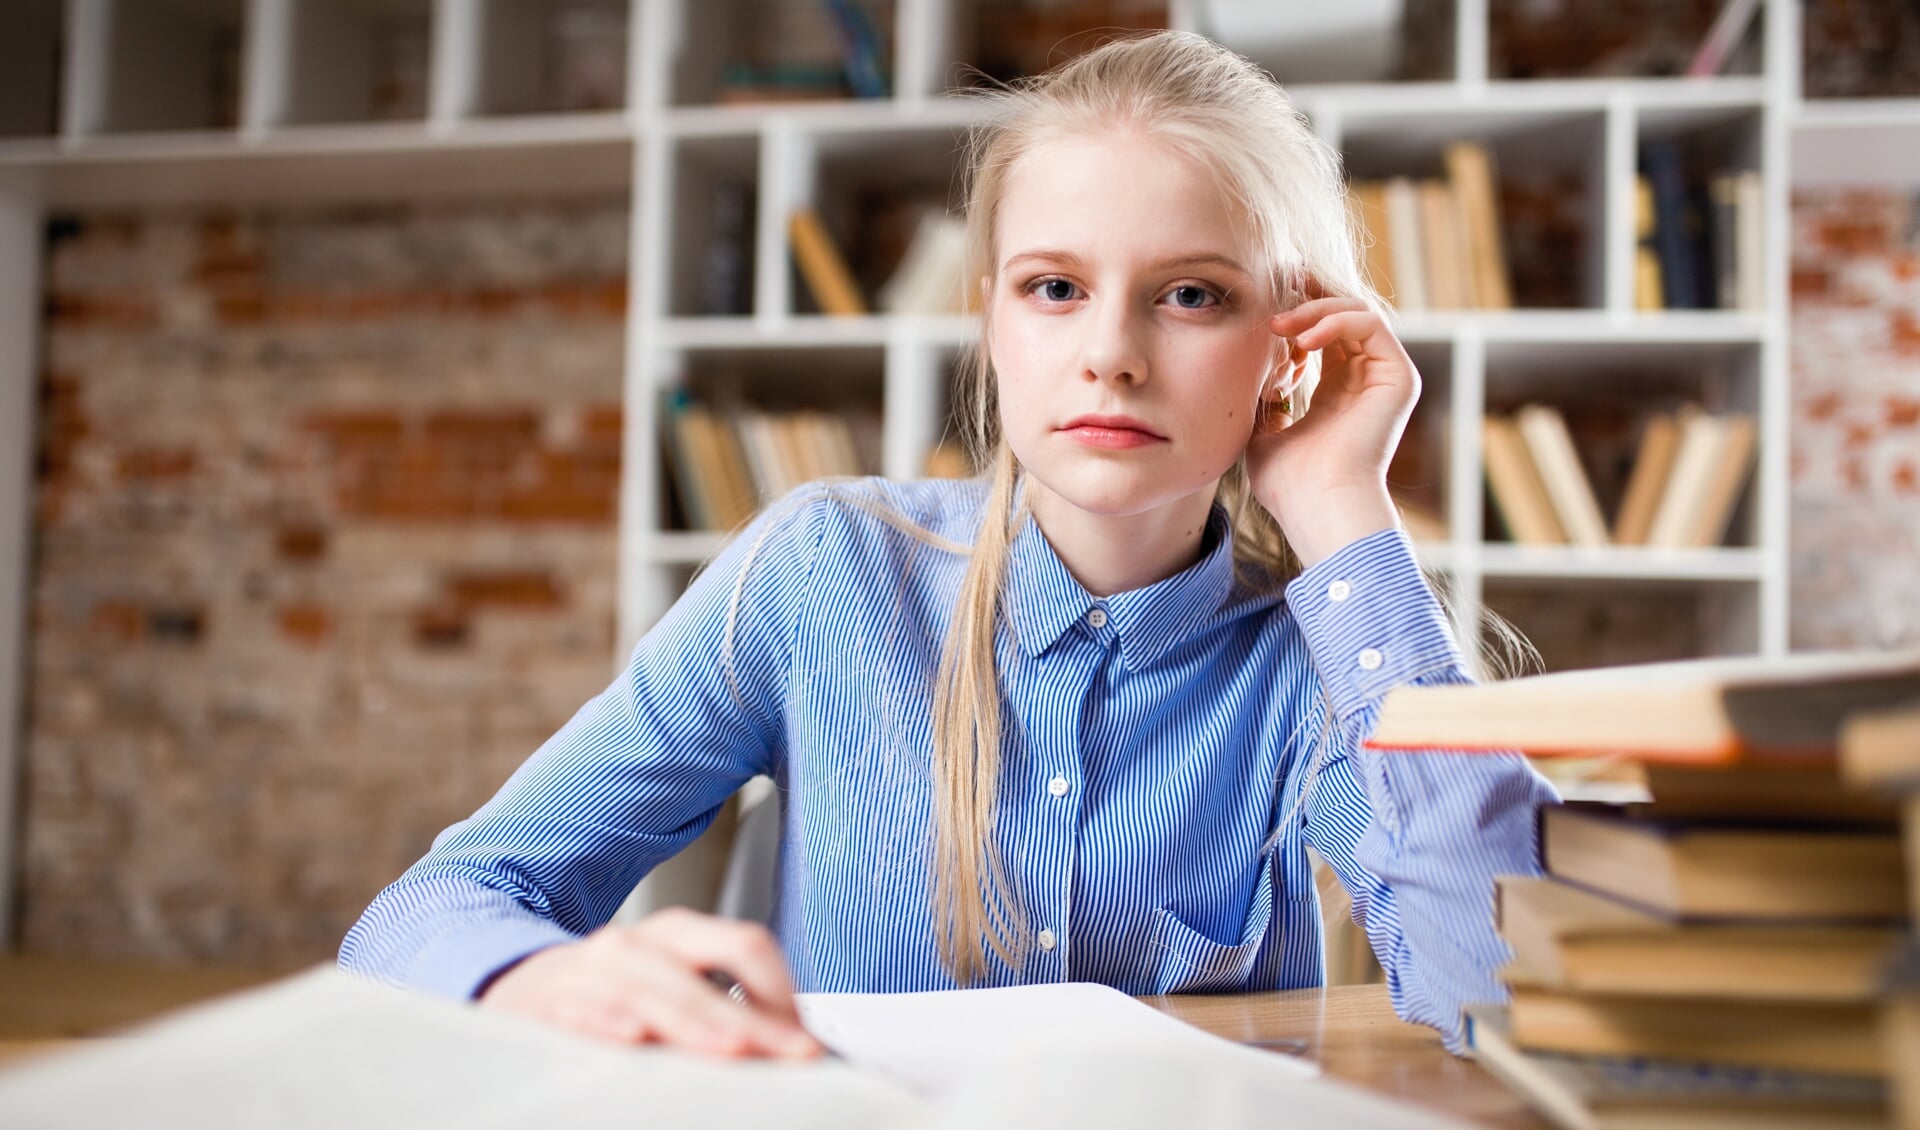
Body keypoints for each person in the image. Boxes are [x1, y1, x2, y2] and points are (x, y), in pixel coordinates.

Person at [339, 30, 1557, 1062]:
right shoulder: (826, 570)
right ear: (988, 315)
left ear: (1286, 342)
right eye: (1054, 288)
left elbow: (1499, 990)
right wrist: (545, 984)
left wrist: (1342, 504)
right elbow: (430, 911)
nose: (1113, 354)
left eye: (1192, 294)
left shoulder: (1313, 656)